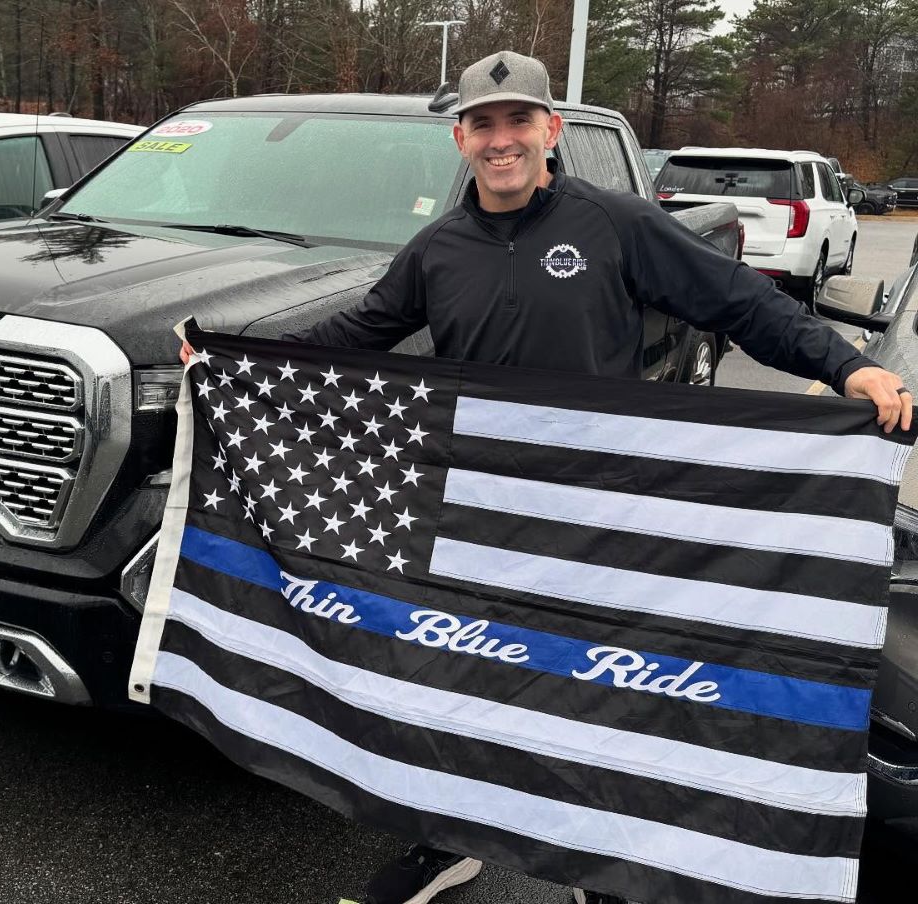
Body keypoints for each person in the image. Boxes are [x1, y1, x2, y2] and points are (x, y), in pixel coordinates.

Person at [180, 50, 912, 904]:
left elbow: (738, 301)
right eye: (483, 124)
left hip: (596, 513)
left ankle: (595, 866)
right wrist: (230, 363)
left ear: (550, 129)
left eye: (519, 120)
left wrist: (845, 366)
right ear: (461, 139)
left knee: (591, 690)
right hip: (476, 511)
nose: (502, 140)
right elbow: (359, 332)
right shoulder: (439, 248)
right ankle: (443, 841)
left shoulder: (616, 223)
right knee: (456, 679)